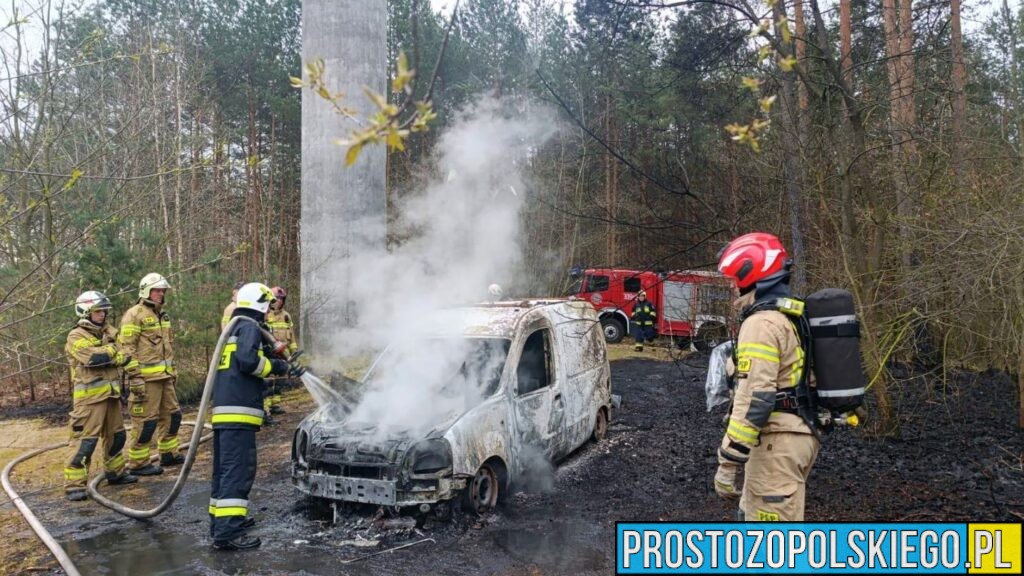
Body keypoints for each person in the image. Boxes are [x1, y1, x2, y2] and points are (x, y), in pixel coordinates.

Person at [713, 232, 819, 521]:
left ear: (751, 275)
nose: (733, 289)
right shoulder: (788, 316)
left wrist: (728, 459)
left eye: (735, 280)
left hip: (777, 444)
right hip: (792, 437)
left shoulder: (761, 324)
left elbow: (754, 399)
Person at [209, 282, 297, 551]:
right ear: (259, 304)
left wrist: (282, 357)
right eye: (267, 305)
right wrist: (279, 366)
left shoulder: (234, 327)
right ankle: (227, 533)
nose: (270, 311)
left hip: (226, 411)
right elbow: (249, 362)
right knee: (238, 471)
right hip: (238, 412)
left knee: (224, 471)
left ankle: (222, 522)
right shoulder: (248, 327)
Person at [63, 291, 138, 501]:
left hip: (111, 396)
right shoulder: (76, 335)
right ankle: (74, 484)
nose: (103, 314)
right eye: (98, 311)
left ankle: (116, 473)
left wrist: (110, 352)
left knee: (117, 437)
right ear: (85, 312)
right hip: (89, 400)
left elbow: (126, 355)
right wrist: (113, 352)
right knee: (84, 442)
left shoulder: (109, 332)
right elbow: (92, 359)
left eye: (104, 311)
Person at [119, 273, 181, 475]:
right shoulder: (134, 314)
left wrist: (172, 372)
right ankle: (138, 463)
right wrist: (135, 377)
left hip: (165, 377)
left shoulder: (162, 315)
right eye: (157, 290)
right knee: (146, 422)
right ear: (146, 290)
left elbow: (167, 347)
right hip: (146, 380)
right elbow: (127, 348)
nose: (160, 294)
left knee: (173, 416)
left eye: (163, 291)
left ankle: (169, 453)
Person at [264, 286, 298, 418]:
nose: (278, 301)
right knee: (268, 380)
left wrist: (293, 352)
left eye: (281, 299)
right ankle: (265, 407)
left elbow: (292, 336)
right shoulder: (266, 315)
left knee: (279, 381)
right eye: (276, 298)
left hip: (283, 354)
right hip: (270, 353)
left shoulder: (286, 316)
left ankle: (274, 405)